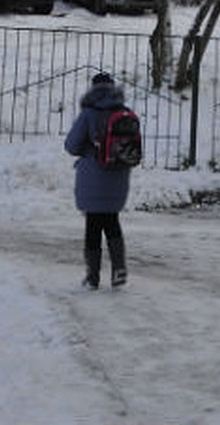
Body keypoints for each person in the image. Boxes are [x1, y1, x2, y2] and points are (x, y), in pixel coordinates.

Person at [64, 71, 131, 289]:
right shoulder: (125, 113)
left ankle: (93, 277)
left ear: (93, 89)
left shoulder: (89, 114)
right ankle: (119, 268)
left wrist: (88, 148)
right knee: (112, 221)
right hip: (118, 176)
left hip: (93, 175)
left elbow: (71, 145)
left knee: (93, 224)